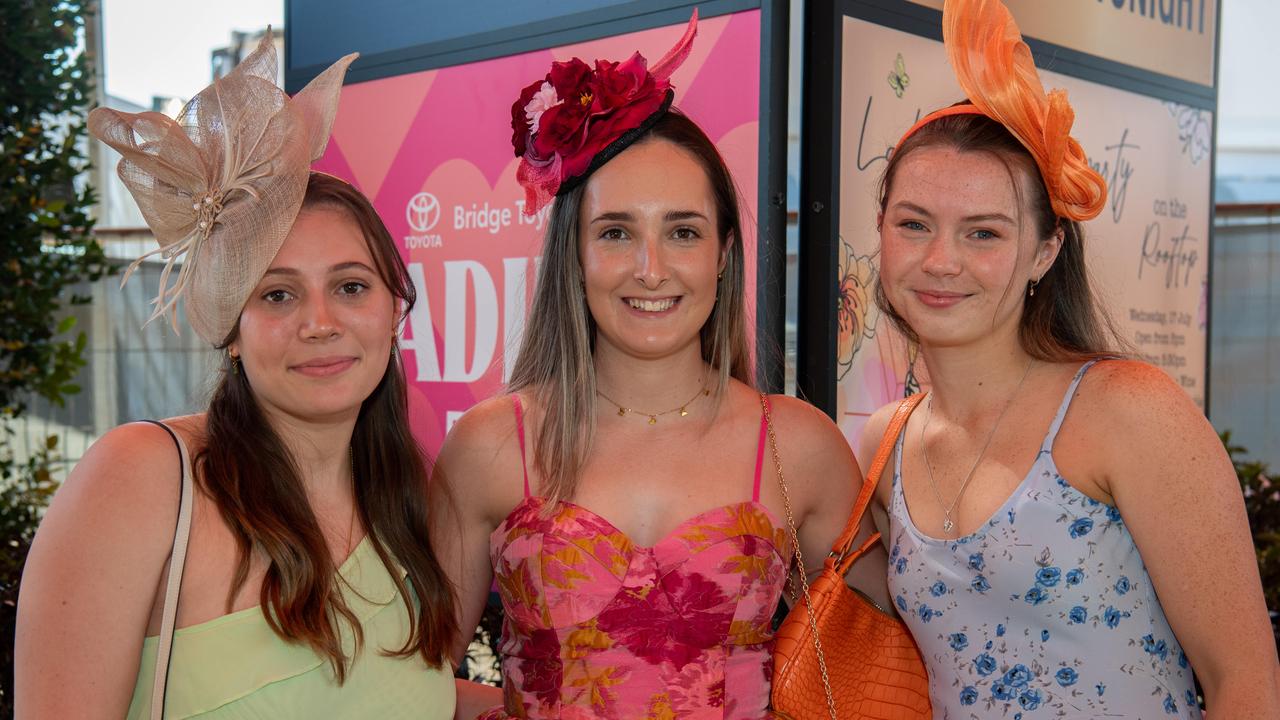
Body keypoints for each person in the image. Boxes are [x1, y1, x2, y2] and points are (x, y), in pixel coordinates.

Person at [432, 13, 881, 718]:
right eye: (616, 233)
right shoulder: (491, 444)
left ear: (723, 253)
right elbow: (411, 681)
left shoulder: (798, 445)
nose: (650, 269)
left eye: (682, 232)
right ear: (575, 256)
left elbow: (882, 672)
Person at [16, 36, 461, 719]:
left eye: (350, 286)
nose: (320, 322)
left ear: (394, 307)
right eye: (277, 295)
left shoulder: (402, 498)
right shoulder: (143, 480)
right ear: (231, 332)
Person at [858, 0, 1280, 717]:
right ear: (881, 231)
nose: (941, 261)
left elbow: (1245, 680)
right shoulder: (886, 440)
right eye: (914, 224)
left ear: (1045, 252)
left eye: (984, 233)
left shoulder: (1125, 410)